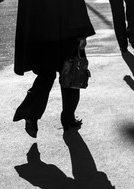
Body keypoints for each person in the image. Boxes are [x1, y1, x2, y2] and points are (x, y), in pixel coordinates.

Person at [13, 0, 95, 138]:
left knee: (46, 74)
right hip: (66, 31)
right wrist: (81, 33)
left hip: (41, 32)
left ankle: (30, 113)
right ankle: (68, 119)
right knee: (70, 74)